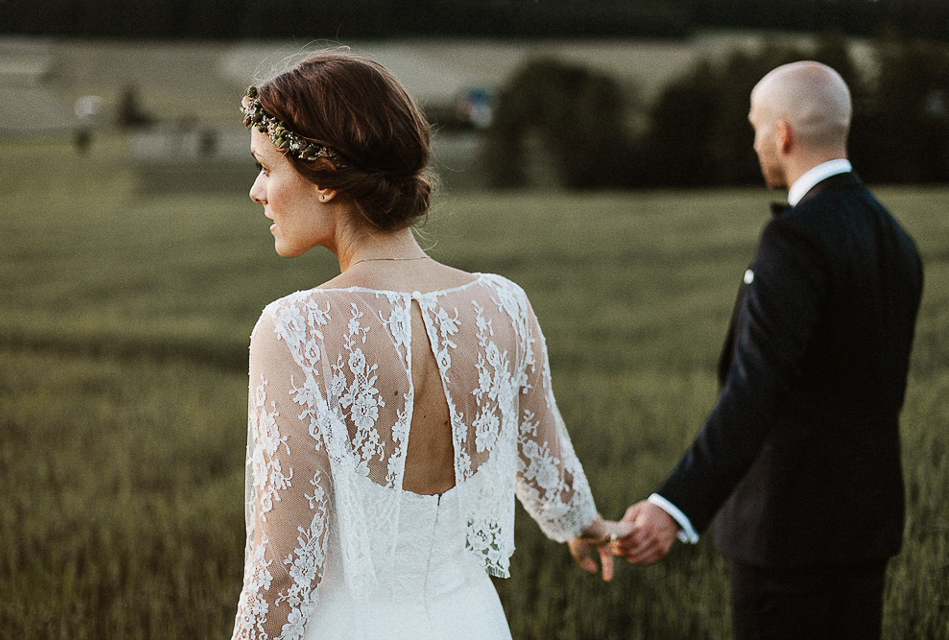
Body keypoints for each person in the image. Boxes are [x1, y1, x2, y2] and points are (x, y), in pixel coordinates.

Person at [230, 52, 627, 640]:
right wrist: (586, 526)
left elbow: (285, 569)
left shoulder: (297, 329)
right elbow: (546, 462)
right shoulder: (503, 304)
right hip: (471, 619)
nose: (256, 190)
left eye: (267, 167)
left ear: (322, 174)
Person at [617, 61, 923, 639]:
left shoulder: (795, 237)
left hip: (785, 537)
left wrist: (673, 506)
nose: (755, 141)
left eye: (756, 127)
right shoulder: (895, 237)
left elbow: (755, 387)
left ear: (782, 134)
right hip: (866, 528)